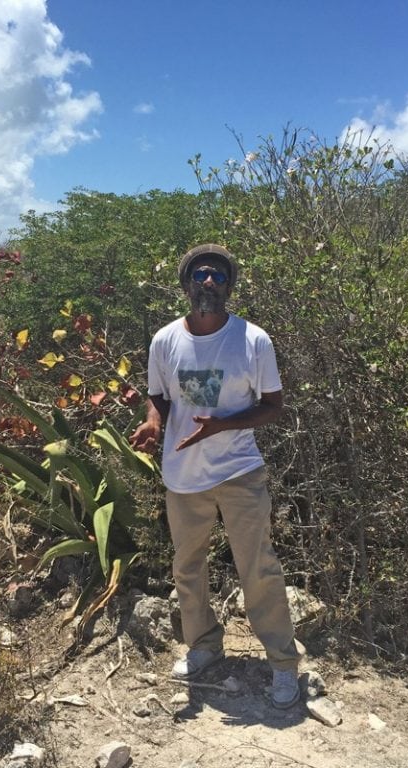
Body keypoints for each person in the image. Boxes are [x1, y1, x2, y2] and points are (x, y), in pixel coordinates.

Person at [129, 243, 303, 709]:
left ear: (229, 288)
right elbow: (159, 395)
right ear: (186, 285)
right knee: (188, 567)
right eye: (200, 274)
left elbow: (273, 407)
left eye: (218, 276)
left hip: (239, 470)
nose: (209, 281)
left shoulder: (253, 340)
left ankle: (283, 664)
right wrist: (153, 421)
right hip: (183, 474)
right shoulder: (165, 340)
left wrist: (222, 425)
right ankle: (204, 645)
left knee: (258, 567)